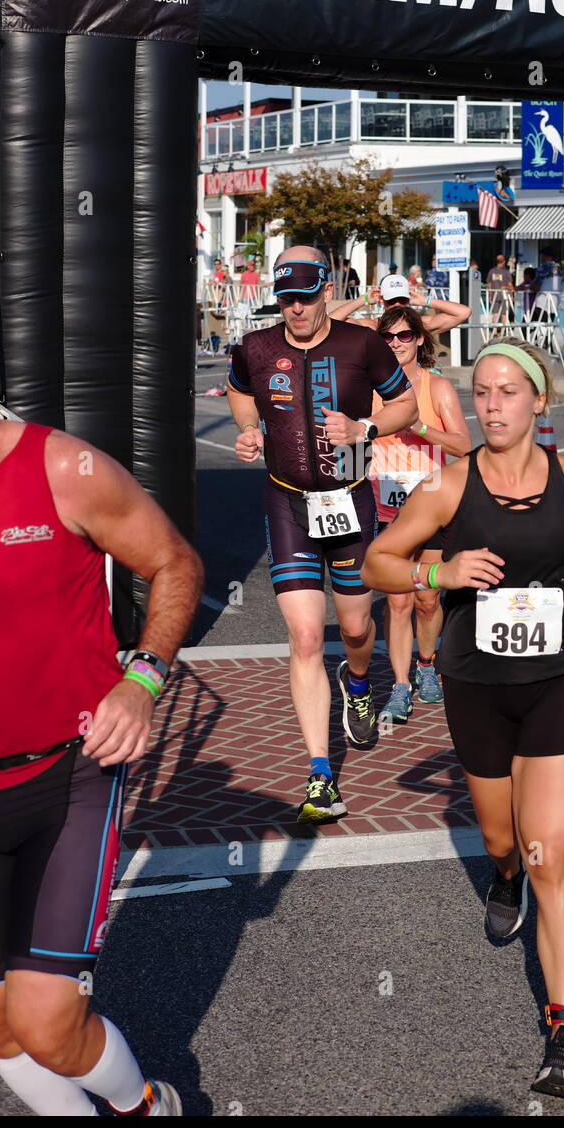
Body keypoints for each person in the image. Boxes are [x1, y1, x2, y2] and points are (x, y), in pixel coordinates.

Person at [363, 336, 564, 1101]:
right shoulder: (449, 488)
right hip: (477, 683)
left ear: (537, 399)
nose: (491, 405)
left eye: (506, 392)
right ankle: (503, 873)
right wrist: (440, 570)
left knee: (553, 852)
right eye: (481, 392)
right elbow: (377, 562)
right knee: (505, 839)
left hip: (561, 675)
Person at [0, 309, 204, 1117]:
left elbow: (174, 562)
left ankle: (146, 1108)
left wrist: (144, 681)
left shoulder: (61, 469)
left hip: (69, 773)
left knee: (47, 1023)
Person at [226, 248, 418, 824]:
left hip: (350, 500)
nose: (296, 308)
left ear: (327, 290)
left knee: (357, 627)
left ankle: (357, 682)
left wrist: (365, 427)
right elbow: (239, 390)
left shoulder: (364, 345)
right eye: (286, 298)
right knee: (307, 637)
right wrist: (247, 430)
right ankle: (319, 774)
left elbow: (406, 404)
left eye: (306, 296)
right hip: (287, 501)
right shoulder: (256, 349)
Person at [369, 306, 472, 723]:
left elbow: (465, 446)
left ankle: (427, 666)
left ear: (419, 340)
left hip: (430, 508)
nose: (396, 344)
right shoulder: (370, 388)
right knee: (397, 602)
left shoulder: (437, 387)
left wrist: (420, 429)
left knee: (427, 600)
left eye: (404, 336)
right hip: (384, 504)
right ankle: (399, 685)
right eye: (388, 337)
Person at [331, 272, 471, 339]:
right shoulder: (372, 327)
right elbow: (330, 322)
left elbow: (463, 312)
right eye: (392, 300)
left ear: (408, 300)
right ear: (382, 300)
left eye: (402, 299)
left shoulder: (419, 325)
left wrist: (425, 301)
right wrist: (363, 299)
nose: (397, 305)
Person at [485, 254, 513, 326]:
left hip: (495, 295)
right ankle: (503, 331)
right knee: (504, 313)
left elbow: (489, 285)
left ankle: (494, 331)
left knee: (495, 313)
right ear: (504, 262)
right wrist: (511, 295)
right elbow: (510, 285)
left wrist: (490, 295)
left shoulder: (491, 271)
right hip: (504, 295)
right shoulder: (506, 272)